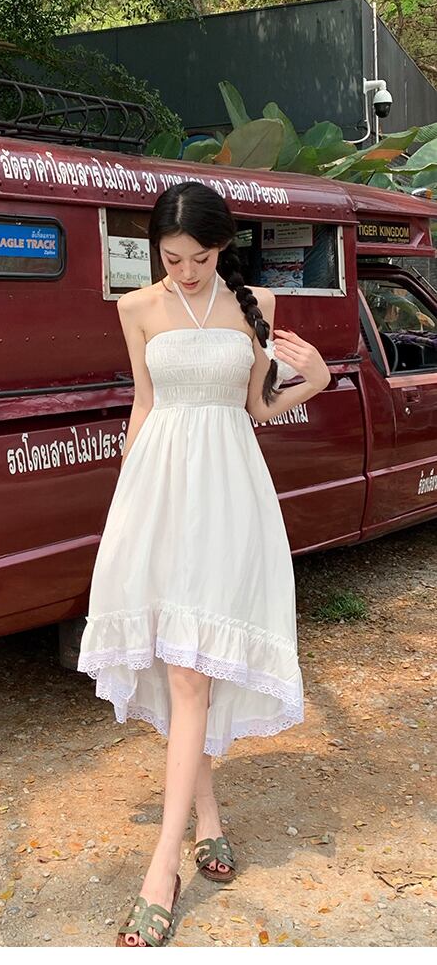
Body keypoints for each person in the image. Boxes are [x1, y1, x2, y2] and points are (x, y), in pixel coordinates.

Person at [76, 182, 331, 947]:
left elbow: (257, 408)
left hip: (229, 497)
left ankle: (163, 867)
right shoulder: (136, 308)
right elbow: (144, 405)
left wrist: (316, 380)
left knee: (196, 668)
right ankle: (204, 824)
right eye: (172, 258)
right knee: (185, 669)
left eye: (201, 258)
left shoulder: (257, 305)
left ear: (224, 248)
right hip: (159, 495)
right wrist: (126, 509)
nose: (185, 272)